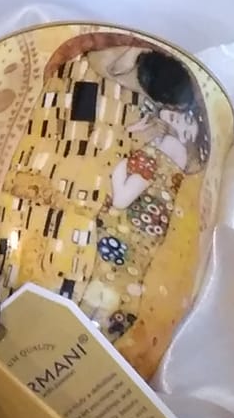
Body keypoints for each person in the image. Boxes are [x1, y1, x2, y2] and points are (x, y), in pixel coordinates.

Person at [88, 49, 210, 335]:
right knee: (117, 275)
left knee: (112, 273)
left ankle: (104, 319)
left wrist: (122, 167)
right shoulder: (165, 141)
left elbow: (124, 196)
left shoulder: (168, 150)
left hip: (133, 223)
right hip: (141, 227)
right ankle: (109, 321)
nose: (178, 119)